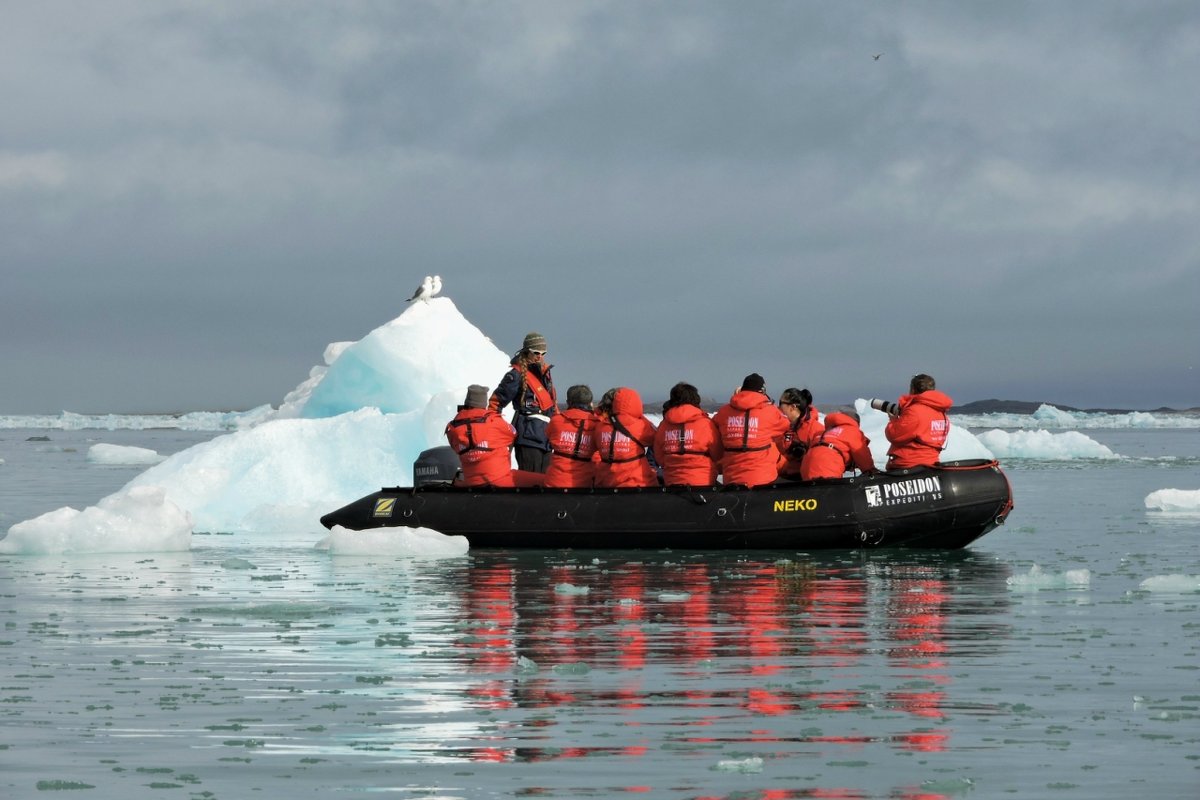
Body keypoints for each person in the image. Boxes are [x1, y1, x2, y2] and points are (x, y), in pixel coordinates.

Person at [488, 332, 559, 473]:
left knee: (545, 481)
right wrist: (493, 428)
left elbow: (553, 406)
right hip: (528, 438)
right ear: (527, 351)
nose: (540, 356)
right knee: (530, 481)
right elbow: (496, 403)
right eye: (536, 352)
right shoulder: (515, 375)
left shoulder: (546, 374)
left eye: (543, 353)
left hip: (546, 438)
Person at [712, 373, 791, 487]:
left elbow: (714, 426)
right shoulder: (770, 411)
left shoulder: (724, 412)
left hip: (731, 479)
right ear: (762, 391)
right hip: (763, 479)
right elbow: (785, 425)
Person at [444, 385, 518, 487]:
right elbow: (512, 434)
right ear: (484, 404)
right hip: (498, 479)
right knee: (540, 480)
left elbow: (455, 447)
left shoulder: (453, 428)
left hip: (470, 481)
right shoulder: (494, 421)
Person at [653, 382, 722, 486]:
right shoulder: (706, 424)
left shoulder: (663, 425)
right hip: (703, 483)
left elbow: (659, 457)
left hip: (672, 482)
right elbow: (718, 454)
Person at [883, 373, 953, 469]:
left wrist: (893, 421)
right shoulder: (941, 412)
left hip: (908, 465)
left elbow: (894, 435)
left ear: (912, 389)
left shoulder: (914, 411)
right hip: (931, 464)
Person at [594, 387, 658, 488]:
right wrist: (639, 416)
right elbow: (657, 437)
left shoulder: (600, 427)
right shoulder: (640, 426)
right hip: (636, 482)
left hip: (606, 481)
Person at [544, 385, 599, 489]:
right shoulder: (598, 425)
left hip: (555, 481)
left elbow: (549, 436)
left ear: (568, 402)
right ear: (590, 403)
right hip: (586, 483)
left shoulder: (557, 421)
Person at [800, 410, 876, 480]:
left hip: (806, 468)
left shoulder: (822, 432)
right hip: (828, 467)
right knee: (829, 492)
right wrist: (870, 471)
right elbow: (861, 454)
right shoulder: (852, 430)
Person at [776, 387, 822, 479]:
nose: (778, 407)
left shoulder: (815, 429)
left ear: (793, 407)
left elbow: (820, 458)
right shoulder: (779, 426)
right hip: (780, 476)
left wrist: (804, 453)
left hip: (802, 480)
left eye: (781, 403)